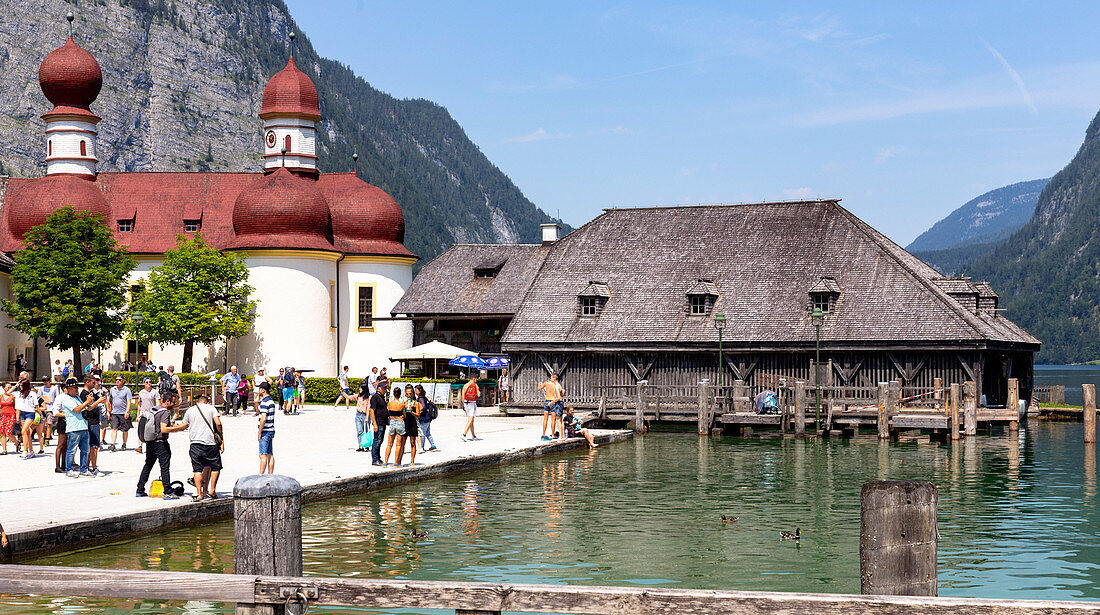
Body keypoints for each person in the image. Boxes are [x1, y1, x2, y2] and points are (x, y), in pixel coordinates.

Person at [165, 393, 223, 500]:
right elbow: (218, 423)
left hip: (195, 443)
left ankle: (199, 494)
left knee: (197, 469)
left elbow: (183, 425)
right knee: (215, 466)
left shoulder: (190, 410)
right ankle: (212, 490)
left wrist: (173, 428)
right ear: (207, 402)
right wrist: (221, 436)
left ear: (197, 402)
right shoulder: (211, 408)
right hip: (210, 443)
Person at [136, 392, 178, 499]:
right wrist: (179, 428)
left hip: (150, 442)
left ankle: (140, 490)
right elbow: (163, 429)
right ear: (167, 401)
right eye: (173, 402)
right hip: (161, 443)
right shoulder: (165, 412)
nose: (174, 404)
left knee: (148, 466)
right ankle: (168, 491)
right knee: (164, 467)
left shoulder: (154, 409)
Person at [60, 377, 98, 477]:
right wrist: (86, 402)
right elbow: (77, 409)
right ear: (68, 389)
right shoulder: (66, 398)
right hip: (74, 428)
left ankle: (84, 469)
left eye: (77, 387)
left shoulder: (77, 398)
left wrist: (92, 402)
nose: (77, 389)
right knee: (71, 450)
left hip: (83, 426)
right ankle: (69, 470)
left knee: (85, 450)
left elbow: (86, 408)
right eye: (74, 387)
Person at [79, 375, 107, 474]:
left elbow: (103, 400)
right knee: (94, 446)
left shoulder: (92, 393)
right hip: (90, 421)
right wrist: (98, 402)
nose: (95, 384)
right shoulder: (84, 394)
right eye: (93, 382)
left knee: (93, 446)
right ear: (87, 382)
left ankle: (87, 467)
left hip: (95, 420)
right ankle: (94, 468)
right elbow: (88, 407)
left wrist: (101, 397)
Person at [16, 378, 41, 459]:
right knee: (27, 433)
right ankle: (31, 451)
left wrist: (40, 414)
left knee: (23, 431)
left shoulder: (32, 393)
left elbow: (36, 405)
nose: (20, 387)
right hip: (22, 413)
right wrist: (17, 416)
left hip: (30, 413)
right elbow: (18, 406)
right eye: (19, 385)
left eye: (21, 385)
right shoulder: (18, 394)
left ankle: (25, 451)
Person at [107, 375, 134, 451]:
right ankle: (113, 444)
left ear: (123, 381)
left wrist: (127, 411)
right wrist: (109, 411)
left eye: (119, 379)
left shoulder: (127, 390)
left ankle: (124, 443)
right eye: (116, 380)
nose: (117, 381)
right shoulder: (112, 389)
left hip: (123, 412)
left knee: (125, 429)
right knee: (114, 428)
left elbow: (129, 402)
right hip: (114, 412)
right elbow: (110, 401)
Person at [383, 387, 408, 465]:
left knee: (389, 444)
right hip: (399, 422)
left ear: (393, 394)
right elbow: (405, 415)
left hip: (392, 422)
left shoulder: (389, 404)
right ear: (400, 394)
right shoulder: (401, 404)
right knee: (398, 445)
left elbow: (388, 413)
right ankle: (396, 462)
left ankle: (385, 462)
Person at [135, 377, 160, 454]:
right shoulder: (141, 393)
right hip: (143, 414)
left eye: (150, 382)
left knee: (152, 430)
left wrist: (157, 413)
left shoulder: (155, 392)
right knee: (141, 430)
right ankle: (140, 446)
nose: (149, 383)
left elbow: (158, 403)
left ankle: (153, 446)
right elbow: (139, 405)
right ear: (144, 383)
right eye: (147, 382)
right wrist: (137, 415)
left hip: (152, 414)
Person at [537, 373, 564, 440]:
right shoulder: (555, 385)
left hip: (546, 401)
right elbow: (561, 394)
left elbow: (538, 389)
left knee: (545, 419)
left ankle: (543, 434)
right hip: (553, 402)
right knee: (553, 419)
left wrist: (539, 384)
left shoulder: (546, 383)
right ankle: (552, 434)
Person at [256, 381, 276, 473]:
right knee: (270, 454)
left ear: (263, 390)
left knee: (262, 455)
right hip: (271, 429)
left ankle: (261, 476)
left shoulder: (264, 402)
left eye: (259, 389)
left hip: (265, 431)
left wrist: (259, 431)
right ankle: (270, 474)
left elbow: (263, 418)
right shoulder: (271, 401)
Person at [369, 384, 388, 465]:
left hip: (383, 422)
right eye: (384, 388)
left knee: (380, 440)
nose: (385, 390)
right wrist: (375, 424)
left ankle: (378, 457)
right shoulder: (375, 397)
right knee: (377, 440)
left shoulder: (382, 397)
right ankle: (375, 459)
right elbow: (372, 410)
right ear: (379, 389)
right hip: (378, 422)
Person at [416, 384, 437, 452]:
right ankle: (432, 445)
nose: (415, 392)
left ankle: (421, 447)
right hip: (428, 418)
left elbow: (424, 407)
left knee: (422, 434)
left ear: (419, 391)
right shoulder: (424, 397)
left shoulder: (421, 398)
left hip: (424, 419)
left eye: (416, 390)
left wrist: (420, 411)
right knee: (428, 433)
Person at [403, 384, 420, 466]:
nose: (409, 395)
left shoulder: (416, 403)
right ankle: (399, 461)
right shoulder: (404, 402)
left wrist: (412, 411)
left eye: (410, 393)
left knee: (412, 442)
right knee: (402, 442)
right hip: (405, 422)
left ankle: (412, 461)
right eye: (407, 394)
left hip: (412, 423)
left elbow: (418, 415)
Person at [459, 375, 480, 441]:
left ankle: (473, 436)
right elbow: (478, 395)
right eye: (476, 379)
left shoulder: (465, 385)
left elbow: (463, 396)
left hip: (466, 403)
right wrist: (478, 391)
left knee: (471, 420)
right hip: (472, 403)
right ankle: (464, 434)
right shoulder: (475, 385)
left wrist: (463, 405)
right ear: (474, 378)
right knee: (470, 420)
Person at [354, 383, 371, 451]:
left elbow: (368, 408)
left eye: (360, 388)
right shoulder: (358, 396)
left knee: (366, 431)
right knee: (359, 431)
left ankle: (366, 445)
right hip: (358, 415)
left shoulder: (369, 397)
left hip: (365, 415)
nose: (359, 389)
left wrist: (367, 417)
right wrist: (342, 392)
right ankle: (361, 446)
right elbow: (348, 397)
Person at [0, 382, 15, 454]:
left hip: (11, 415)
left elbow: (15, 406)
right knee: (2, 432)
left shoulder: (12, 396)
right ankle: (4, 450)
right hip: (3, 415)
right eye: (8, 387)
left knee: (8, 432)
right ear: (3, 388)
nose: (10, 389)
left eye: (10, 387)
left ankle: (17, 442)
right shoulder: (1, 396)